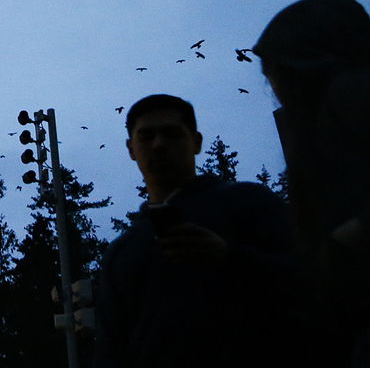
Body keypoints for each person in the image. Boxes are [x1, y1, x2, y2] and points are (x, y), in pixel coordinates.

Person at [253, 0, 370, 366]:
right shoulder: (323, 119)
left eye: (275, 72)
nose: (273, 89)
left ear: (303, 60)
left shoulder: (356, 91)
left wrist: (359, 231)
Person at [94, 94, 298, 368]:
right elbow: (112, 349)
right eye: (146, 136)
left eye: (172, 134)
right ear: (131, 149)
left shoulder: (251, 204)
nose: (158, 145)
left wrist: (231, 259)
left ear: (197, 142)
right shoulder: (121, 253)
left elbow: (312, 281)